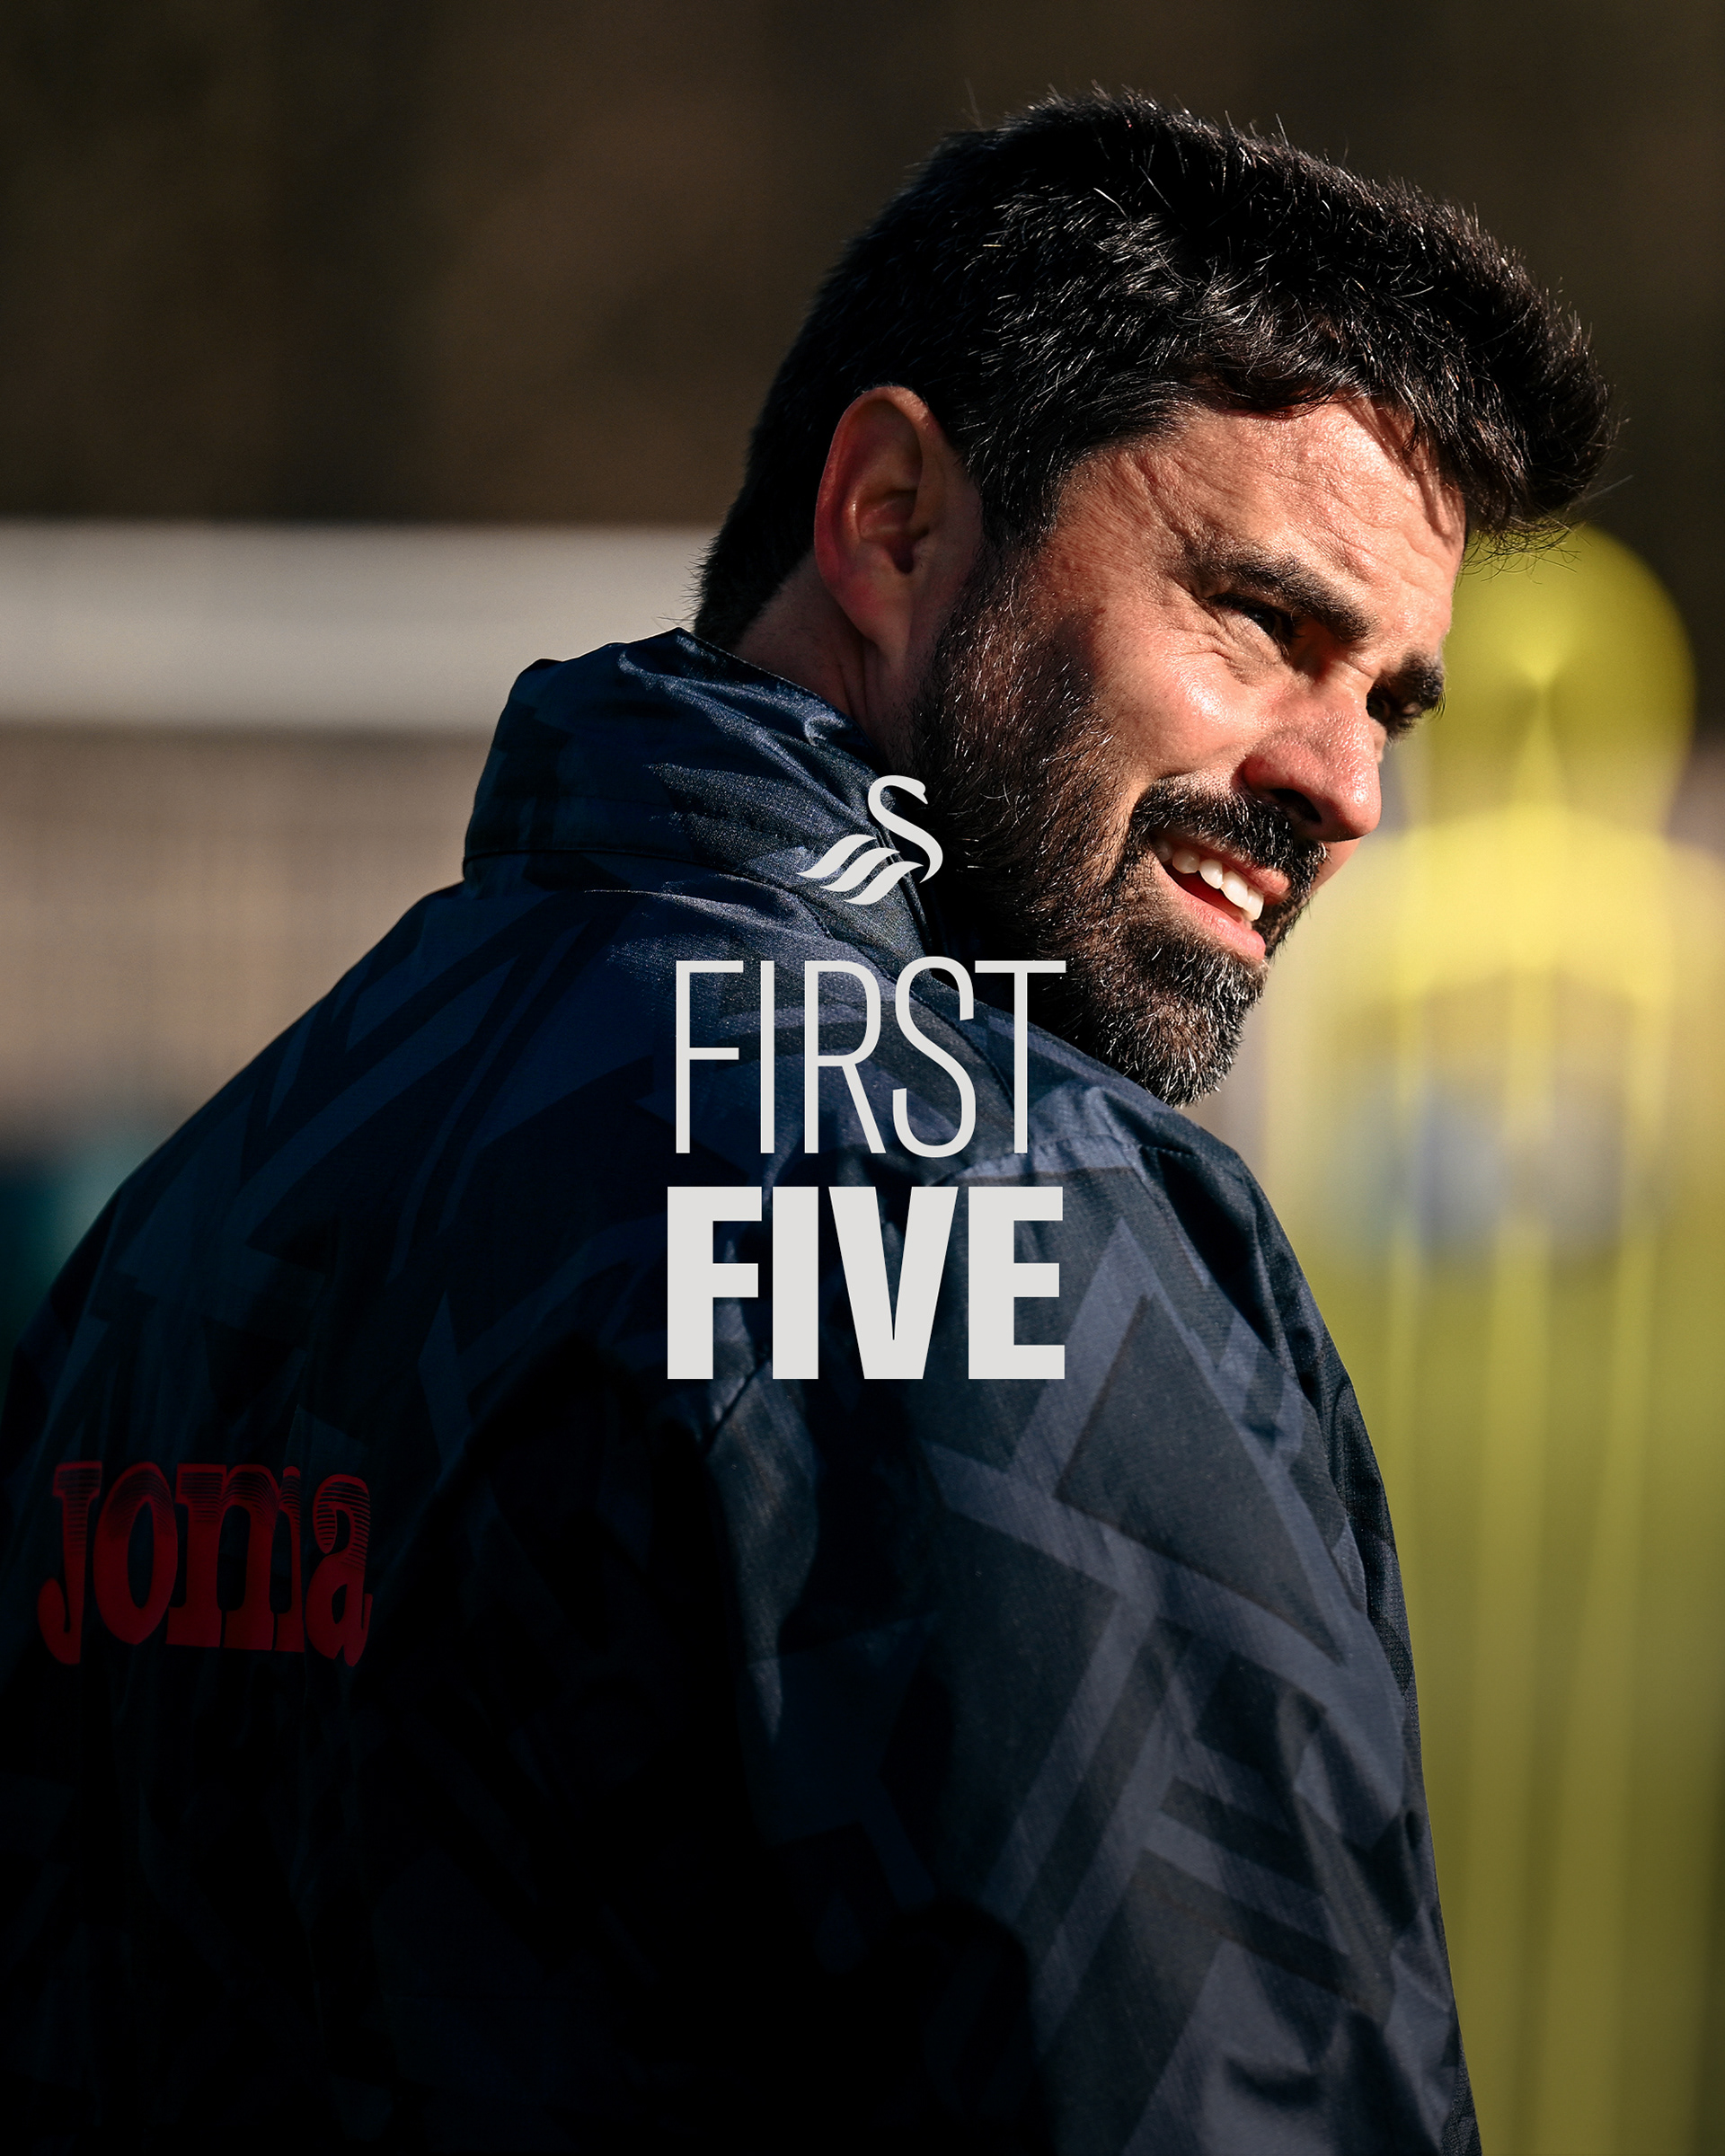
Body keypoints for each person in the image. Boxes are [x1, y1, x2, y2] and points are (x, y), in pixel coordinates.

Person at [1, 93, 1608, 2153]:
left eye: (1386, 697)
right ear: (892, 518)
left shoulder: (197, 1209)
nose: (1346, 784)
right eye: (1263, 621)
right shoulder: (994, 1214)